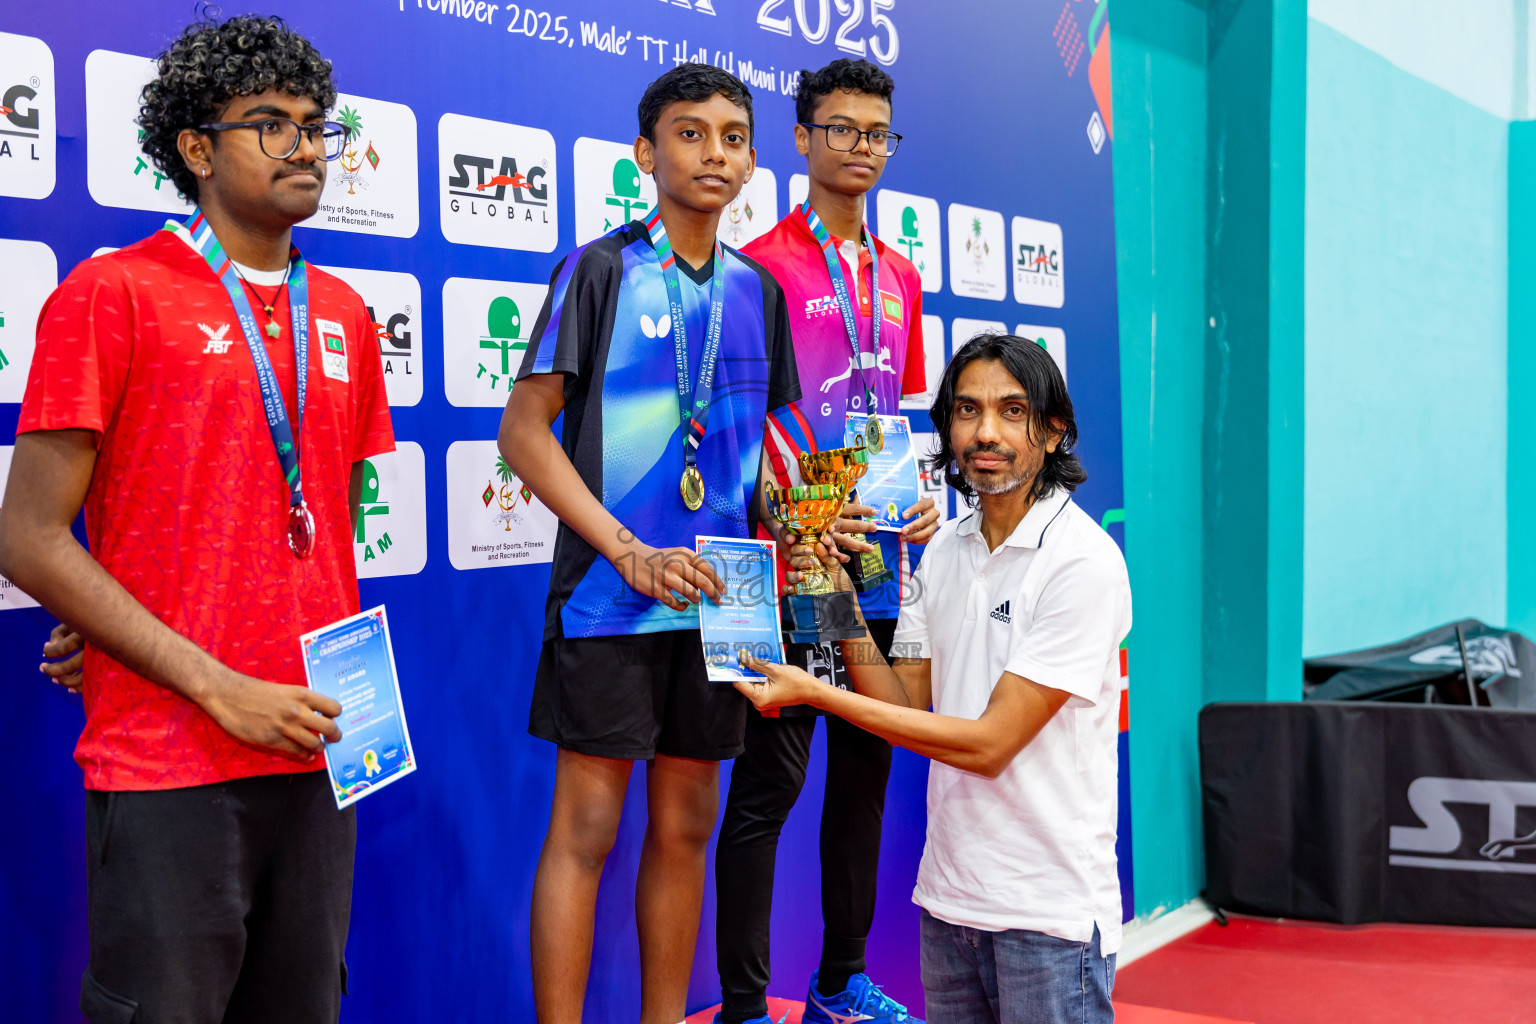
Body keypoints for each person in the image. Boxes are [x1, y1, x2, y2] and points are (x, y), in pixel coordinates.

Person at [0, 15, 393, 1024]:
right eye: (272, 124)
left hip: (322, 743)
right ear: (197, 148)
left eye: (316, 125)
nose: (306, 147)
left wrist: (127, 614)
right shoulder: (110, 294)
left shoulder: (346, 312)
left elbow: (307, 518)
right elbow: (28, 537)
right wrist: (212, 679)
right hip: (169, 758)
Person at [497, 63, 799, 1024]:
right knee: (585, 830)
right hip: (610, 595)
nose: (715, 153)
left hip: (724, 599)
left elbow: (762, 451)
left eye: (733, 137)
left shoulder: (760, 291)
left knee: (686, 828)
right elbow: (523, 434)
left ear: (752, 161)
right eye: (690, 133)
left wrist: (807, 522)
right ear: (645, 152)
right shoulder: (600, 269)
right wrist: (625, 550)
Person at [737, 334, 1129, 1024]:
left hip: (1049, 919)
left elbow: (988, 744)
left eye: (1012, 411)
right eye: (967, 410)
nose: (986, 432)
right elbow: (904, 702)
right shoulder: (943, 550)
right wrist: (837, 598)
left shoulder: (1082, 563)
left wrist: (818, 694)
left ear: (1053, 431)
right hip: (949, 906)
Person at [715, 58, 937, 1024]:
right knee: (769, 784)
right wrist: (793, 514)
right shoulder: (758, 265)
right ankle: (741, 1007)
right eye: (840, 129)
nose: (860, 147)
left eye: (876, 132)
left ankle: (841, 983)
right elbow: (734, 421)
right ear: (802, 140)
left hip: (876, 552)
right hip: (786, 555)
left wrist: (920, 498)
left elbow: (897, 411)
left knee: (866, 772)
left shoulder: (901, 275)